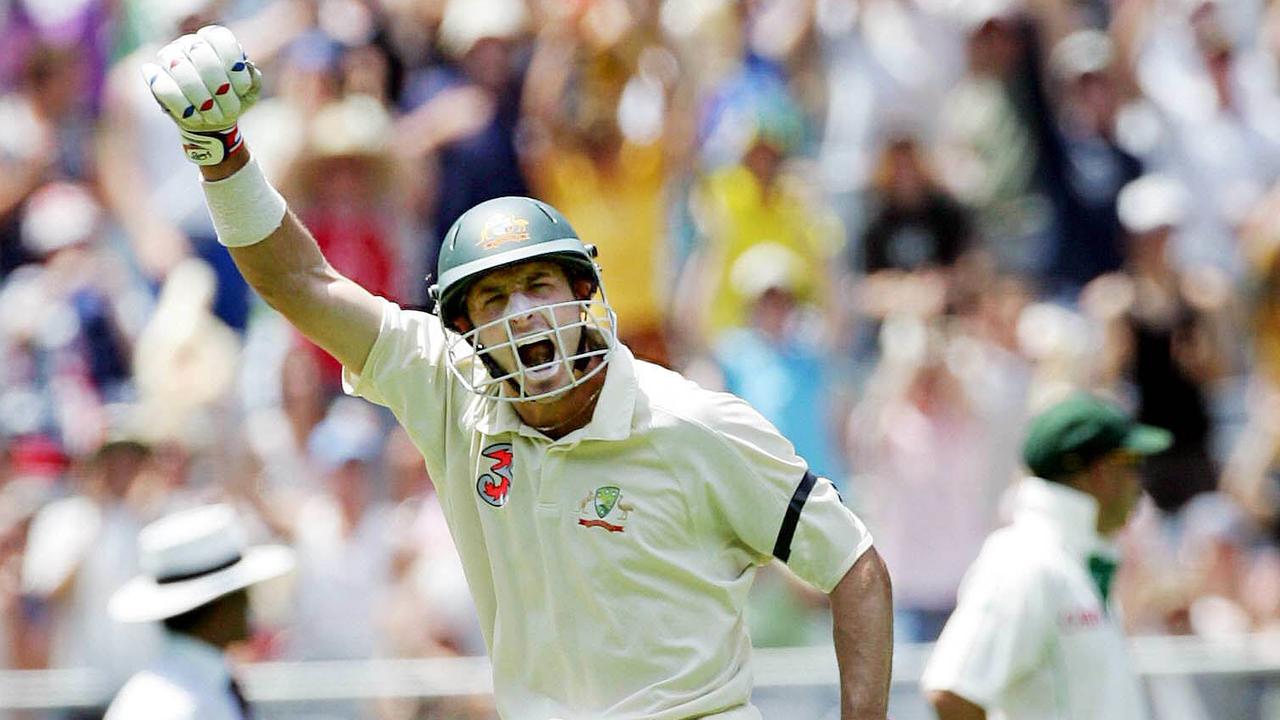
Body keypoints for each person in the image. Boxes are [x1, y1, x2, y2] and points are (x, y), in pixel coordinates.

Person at [141, 25, 893, 720]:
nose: (524, 314)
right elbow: (301, 284)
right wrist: (224, 152)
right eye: (494, 297)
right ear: (464, 330)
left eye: (540, 286)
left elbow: (855, 567)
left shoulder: (694, 422)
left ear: (585, 296)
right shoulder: (449, 391)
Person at [921, 392, 1173, 720]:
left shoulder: (1070, 561)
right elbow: (952, 692)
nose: (1139, 484)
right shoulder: (1025, 561)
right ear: (1099, 473)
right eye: (1132, 465)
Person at [103, 504, 295, 720]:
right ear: (217, 607)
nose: (248, 604)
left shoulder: (195, 688)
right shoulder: (176, 705)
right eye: (239, 593)